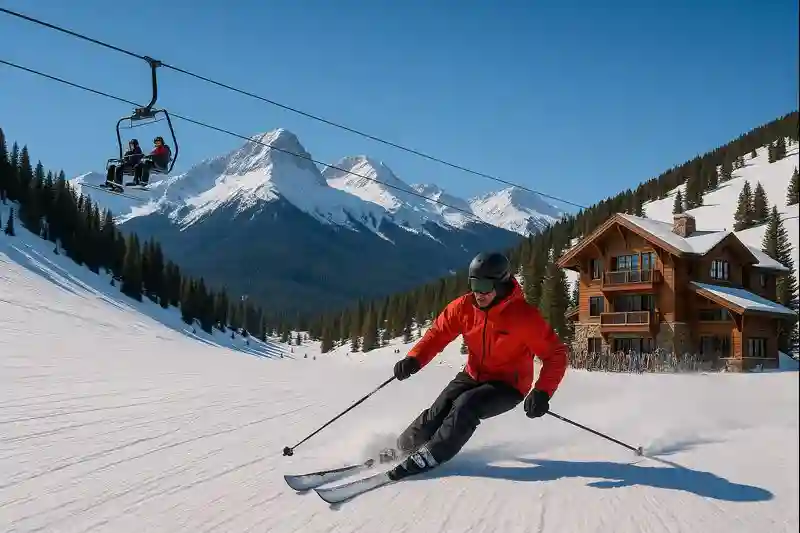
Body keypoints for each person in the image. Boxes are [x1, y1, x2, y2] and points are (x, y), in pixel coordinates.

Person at [382, 251, 568, 481]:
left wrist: (542, 392)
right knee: (439, 409)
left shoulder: (523, 317)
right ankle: (403, 448)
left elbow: (556, 355)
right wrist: (415, 358)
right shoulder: (464, 307)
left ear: (500, 285)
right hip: (473, 374)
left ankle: (432, 455)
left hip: (508, 385)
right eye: (474, 284)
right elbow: (438, 333)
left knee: (465, 406)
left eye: (485, 285)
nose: (479, 292)